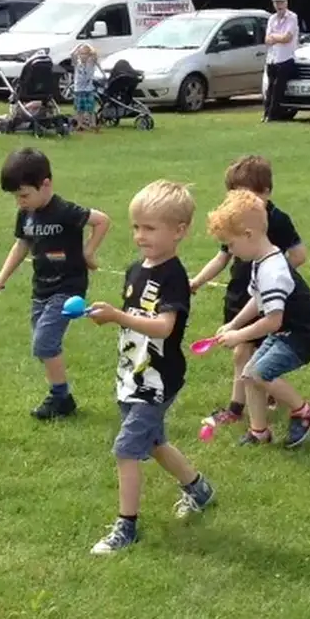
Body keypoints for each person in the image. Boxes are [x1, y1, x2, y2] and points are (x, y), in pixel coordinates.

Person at [83, 181, 216, 555]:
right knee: (154, 443)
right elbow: (135, 320)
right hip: (133, 375)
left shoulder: (173, 275)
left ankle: (126, 527)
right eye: (136, 227)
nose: (140, 236)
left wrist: (118, 316)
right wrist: (106, 316)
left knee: (126, 449)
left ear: (179, 231)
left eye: (150, 228)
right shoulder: (133, 270)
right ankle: (198, 489)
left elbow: (164, 327)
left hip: (157, 381)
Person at [0, 147, 111, 419]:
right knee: (45, 346)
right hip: (41, 289)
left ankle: (59, 398)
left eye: (23, 195)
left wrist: (88, 252)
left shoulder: (64, 211)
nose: (20, 202)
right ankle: (62, 398)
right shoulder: (27, 214)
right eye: (16, 197)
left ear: (46, 184)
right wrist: (2, 275)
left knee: (44, 344)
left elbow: (102, 221)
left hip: (68, 288)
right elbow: (22, 244)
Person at [189, 155, 308, 431]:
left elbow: (299, 255)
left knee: (246, 353)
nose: (239, 203)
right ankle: (257, 406)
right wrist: (197, 281)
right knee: (245, 353)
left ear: (266, 192)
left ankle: (238, 408)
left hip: (267, 303)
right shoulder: (236, 223)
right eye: (233, 196)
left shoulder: (277, 220)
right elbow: (222, 258)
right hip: (240, 296)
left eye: (246, 195)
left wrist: (275, 279)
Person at [207, 189, 310, 446]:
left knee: (260, 374)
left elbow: (273, 321)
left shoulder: (272, 270)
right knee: (249, 375)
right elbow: (257, 299)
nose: (230, 251)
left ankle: (304, 411)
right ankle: (259, 432)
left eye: (231, 244)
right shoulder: (261, 260)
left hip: (303, 335)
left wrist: (239, 335)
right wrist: (234, 323)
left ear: (248, 235)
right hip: (286, 331)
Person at [262, 0, 299, 122]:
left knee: (278, 88)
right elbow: (267, 39)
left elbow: (287, 38)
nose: (279, 5)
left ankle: (273, 115)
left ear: (286, 3)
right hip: (272, 58)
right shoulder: (272, 19)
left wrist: (275, 37)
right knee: (270, 88)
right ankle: (266, 113)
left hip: (286, 58)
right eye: (276, 3)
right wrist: (277, 37)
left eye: (281, 2)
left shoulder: (292, 17)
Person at [70, 43, 100, 131]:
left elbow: (95, 54)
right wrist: (79, 45)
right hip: (79, 89)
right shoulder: (77, 64)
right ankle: (80, 124)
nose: (84, 56)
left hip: (89, 89)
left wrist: (88, 45)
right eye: (82, 54)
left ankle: (93, 124)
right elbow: (72, 54)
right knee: (79, 109)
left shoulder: (91, 63)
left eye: (86, 54)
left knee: (91, 108)